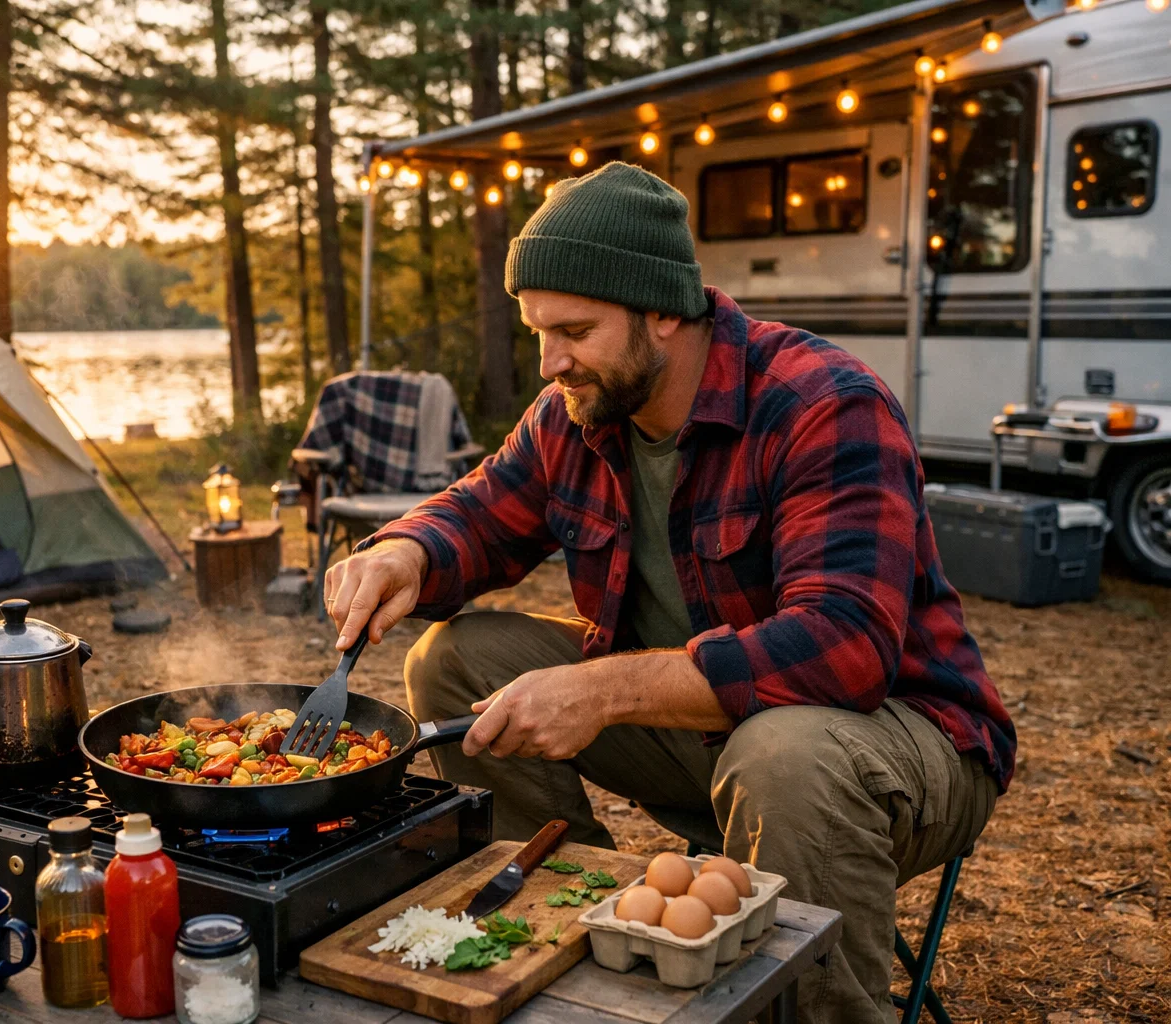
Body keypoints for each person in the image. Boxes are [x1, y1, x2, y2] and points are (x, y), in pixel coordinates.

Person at [323, 162, 1014, 1024]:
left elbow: (843, 649)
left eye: (575, 330)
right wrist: (406, 552)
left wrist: (602, 689)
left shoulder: (822, 403)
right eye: (539, 332)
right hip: (717, 734)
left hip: (900, 742)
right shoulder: (577, 409)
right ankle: (568, 934)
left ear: (663, 311)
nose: (551, 362)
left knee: (785, 754)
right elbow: (480, 512)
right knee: (456, 659)